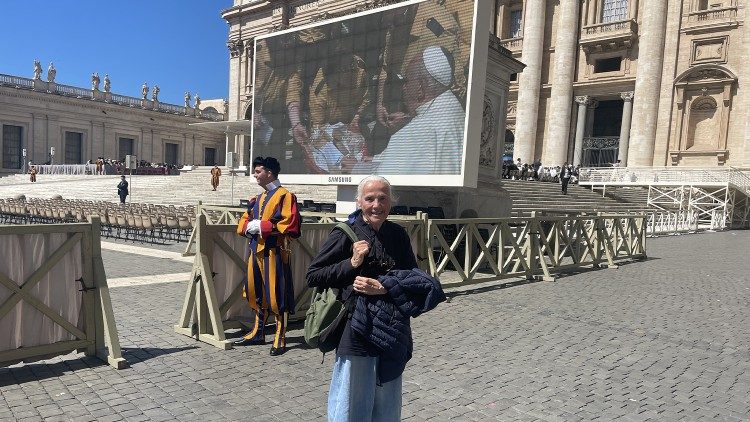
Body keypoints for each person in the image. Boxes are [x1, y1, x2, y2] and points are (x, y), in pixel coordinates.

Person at [307, 176, 445, 421]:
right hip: (357, 327)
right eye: (369, 198)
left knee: (387, 400)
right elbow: (314, 276)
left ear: (391, 202)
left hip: (393, 329)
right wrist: (352, 263)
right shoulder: (345, 234)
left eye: (382, 198)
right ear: (359, 202)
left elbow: (413, 278)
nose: (376, 204)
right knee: (352, 401)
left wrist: (384, 287)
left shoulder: (398, 234)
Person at [234, 156, 301, 356]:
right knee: (256, 291)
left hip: (274, 251)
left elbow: (290, 224)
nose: (255, 175)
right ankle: (258, 332)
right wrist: (249, 226)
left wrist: (262, 226)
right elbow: (244, 222)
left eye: (258, 171)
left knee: (276, 292)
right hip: (256, 250)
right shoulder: (258, 198)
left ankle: (280, 336)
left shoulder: (285, 196)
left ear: (269, 173)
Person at [364, 46, 464, 175]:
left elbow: (383, 181)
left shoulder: (417, 131)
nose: (403, 88)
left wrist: (355, 167)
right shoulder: (453, 107)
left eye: (406, 81)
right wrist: (376, 159)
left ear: (421, 88)